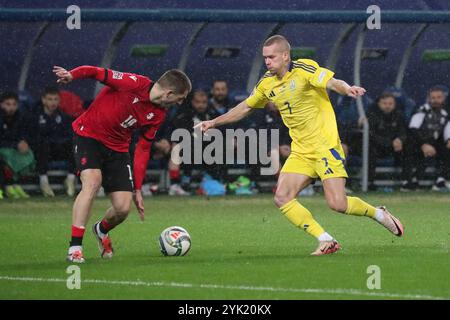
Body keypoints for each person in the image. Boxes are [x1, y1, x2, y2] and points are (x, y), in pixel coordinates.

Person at [195, 35, 404, 256]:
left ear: (285, 55)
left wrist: (347, 88)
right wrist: (214, 122)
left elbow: (332, 82)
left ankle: (378, 214)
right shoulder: (266, 82)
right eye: (265, 57)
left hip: (325, 147)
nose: (267, 61)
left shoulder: (305, 68)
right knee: (282, 196)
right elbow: (246, 106)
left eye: (272, 57)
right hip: (301, 152)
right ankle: (326, 240)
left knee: (338, 204)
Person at [53, 65, 191, 263]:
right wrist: (72, 75)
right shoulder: (133, 83)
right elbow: (96, 72)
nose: (180, 102)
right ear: (169, 93)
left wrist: (138, 188)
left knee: (123, 208)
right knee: (92, 182)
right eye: (181, 98)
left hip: (118, 149)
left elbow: (143, 149)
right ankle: (75, 248)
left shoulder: (159, 114)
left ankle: (101, 230)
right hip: (88, 136)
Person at [169, 89, 225, 194]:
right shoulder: (184, 115)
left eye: (204, 102)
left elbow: (223, 129)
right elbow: (180, 135)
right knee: (178, 149)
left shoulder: (211, 113)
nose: (201, 105)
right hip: (189, 148)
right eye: (198, 102)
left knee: (221, 145)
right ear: (192, 102)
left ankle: (215, 181)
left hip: (208, 148)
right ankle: (176, 184)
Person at [28, 86, 76, 197]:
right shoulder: (34, 116)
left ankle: (70, 179)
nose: (53, 103)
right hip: (43, 151)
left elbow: (68, 134)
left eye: (55, 99)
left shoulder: (63, 117)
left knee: (75, 144)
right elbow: (32, 137)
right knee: (42, 144)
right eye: (50, 99)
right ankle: (43, 182)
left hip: (59, 149)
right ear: (43, 100)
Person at [402, 86, 450, 191]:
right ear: (428, 99)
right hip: (418, 142)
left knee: (447, 149)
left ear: (443, 98)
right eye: (433, 98)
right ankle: (409, 181)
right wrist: (424, 144)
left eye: (438, 97)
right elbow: (413, 130)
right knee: (409, 147)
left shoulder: (445, 113)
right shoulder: (421, 110)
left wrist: (448, 140)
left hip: (435, 143)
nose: (436, 100)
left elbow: (447, 129)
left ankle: (440, 181)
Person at [367, 92, 408, 190]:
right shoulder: (372, 115)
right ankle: (370, 182)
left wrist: (400, 139)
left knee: (408, 148)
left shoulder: (399, 115)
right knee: (370, 149)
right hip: (377, 147)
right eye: (385, 103)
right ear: (379, 104)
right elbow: (371, 135)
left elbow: (404, 132)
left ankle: (407, 181)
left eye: (390, 104)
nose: (387, 106)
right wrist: (389, 142)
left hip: (395, 148)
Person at [0, 91, 34, 200]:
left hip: (12, 149)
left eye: (14, 104)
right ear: (1, 104)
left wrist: (23, 142)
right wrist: (15, 144)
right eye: (8, 104)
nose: (11, 107)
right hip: (4, 148)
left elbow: (24, 134)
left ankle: (16, 185)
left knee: (27, 154)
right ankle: (6, 187)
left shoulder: (21, 117)